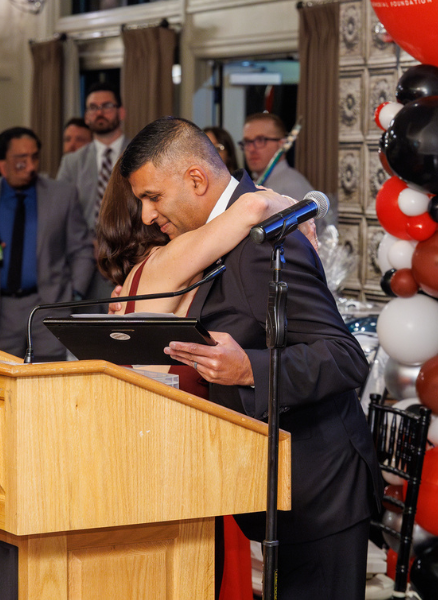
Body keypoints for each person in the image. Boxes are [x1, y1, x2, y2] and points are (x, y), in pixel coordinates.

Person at [119, 116, 381, 600]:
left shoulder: (264, 240)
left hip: (317, 485)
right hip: (269, 482)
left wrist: (249, 369)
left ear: (196, 178)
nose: (147, 215)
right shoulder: (225, 229)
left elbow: (345, 356)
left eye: (152, 197)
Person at [97, 161, 315, 600]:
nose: (153, 211)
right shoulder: (167, 263)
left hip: (169, 458)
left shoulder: (150, 277)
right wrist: (292, 207)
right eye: (149, 200)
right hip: (172, 463)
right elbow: (247, 209)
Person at [0, 127, 96, 359]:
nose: (31, 166)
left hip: (48, 306)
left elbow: (81, 249)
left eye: (34, 157)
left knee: (48, 377)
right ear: (2, 165)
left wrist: (75, 294)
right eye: (21, 160)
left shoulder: (62, 195)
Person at [57, 82, 129, 301]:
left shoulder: (141, 154)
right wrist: (89, 244)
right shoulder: (71, 162)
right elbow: (61, 214)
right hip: (84, 265)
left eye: (106, 106)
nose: (99, 112)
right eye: (93, 107)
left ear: (121, 112)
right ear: (87, 117)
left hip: (130, 260)